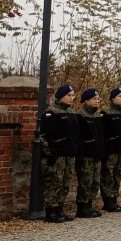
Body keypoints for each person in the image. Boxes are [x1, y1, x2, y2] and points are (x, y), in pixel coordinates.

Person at [40, 84, 78, 223]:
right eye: (68, 95)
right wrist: (50, 153)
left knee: (65, 183)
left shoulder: (72, 113)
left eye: (73, 95)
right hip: (56, 155)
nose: (71, 98)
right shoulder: (51, 112)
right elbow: (45, 136)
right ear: (60, 96)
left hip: (69, 154)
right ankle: (51, 211)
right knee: (53, 183)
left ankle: (59, 209)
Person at [100, 87, 121, 213]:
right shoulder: (106, 113)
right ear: (113, 98)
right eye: (120, 96)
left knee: (118, 175)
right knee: (108, 175)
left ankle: (114, 199)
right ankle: (107, 201)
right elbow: (102, 134)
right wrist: (103, 150)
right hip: (111, 150)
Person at [74, 88, 105, 218]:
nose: (97, 101)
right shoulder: (80, 116)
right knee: (85, 181)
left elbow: (101, 135)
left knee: (95, 181)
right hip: (85, 154)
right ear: (86, 100)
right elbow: (78, 137)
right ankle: (82, 206)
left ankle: (89, 205)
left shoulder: (98, 116)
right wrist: (79, 154)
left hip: (96, 154)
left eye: (98, 99)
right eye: (94, 99)